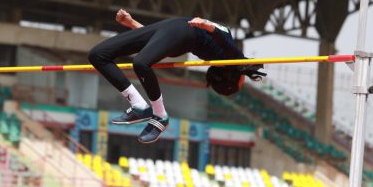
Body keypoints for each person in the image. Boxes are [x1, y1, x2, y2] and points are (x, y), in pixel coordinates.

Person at [88, 9, 265, 144]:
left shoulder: (219, 56)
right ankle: (140, 106)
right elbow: (224, 36)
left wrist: (132, 23)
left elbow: (161, 42)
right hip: (173, 28)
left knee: (140, 62)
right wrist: (206, 25)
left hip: (177, 31)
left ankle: (159, 115)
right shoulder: (231, 56)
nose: (244, 77)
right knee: (97, 55)